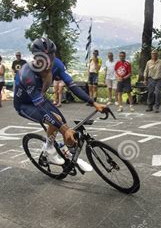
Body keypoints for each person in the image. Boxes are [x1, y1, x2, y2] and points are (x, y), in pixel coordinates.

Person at [14, 37, 106, 171]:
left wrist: (93, 102)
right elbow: (39, 105)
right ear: (36, 57)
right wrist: (64, 129)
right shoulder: (27, 74)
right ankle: (50, 151)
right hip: (24, 105)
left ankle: (69, 156)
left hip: (39, 98)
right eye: (45, 56)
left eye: (52, 55)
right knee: (58, 123)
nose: (50, 60)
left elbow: (72, 86)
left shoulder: (56, 64)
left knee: (62, 123)